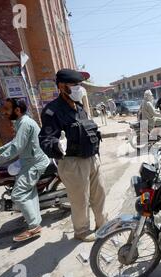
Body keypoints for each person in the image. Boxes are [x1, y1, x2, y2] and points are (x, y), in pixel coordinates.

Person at [38, 69, 107, 242]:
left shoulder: (80, 107)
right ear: (62, 86)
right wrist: (57, 145)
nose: (79, 88)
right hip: (73, 162)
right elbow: (45, 139)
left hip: (92, 158)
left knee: (99, 194)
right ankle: (81, 231)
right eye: (75, 85)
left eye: (80, 85)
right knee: (79, 200)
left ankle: (103, 224)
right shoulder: (52, 111)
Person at [0, 99, 50, 242]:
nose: (4, 112)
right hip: (29, 162)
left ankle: (34, 227)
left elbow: (16, 148)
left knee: (18, 194)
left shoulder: (24, 123)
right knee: (28, 192)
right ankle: (35, 220)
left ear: (17, 110)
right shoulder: (22, 122)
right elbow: (15, 142)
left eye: (7, 109)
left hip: (34, 164)